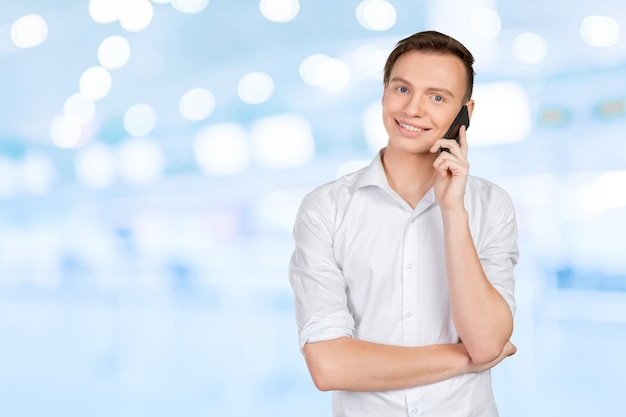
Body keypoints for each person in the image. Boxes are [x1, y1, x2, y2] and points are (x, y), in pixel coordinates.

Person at [289, 30, 519, 416]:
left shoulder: (490, 205)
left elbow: (486, 341)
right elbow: (329, 366)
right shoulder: (326, 208)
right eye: (402, 89)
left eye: (437, 97)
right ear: (383, 92)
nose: (413, 109)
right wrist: (464, 359)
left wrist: (452, 212)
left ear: (466, 113)